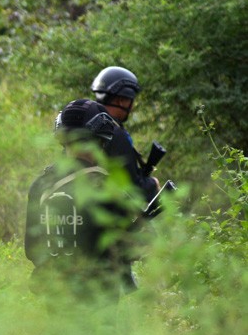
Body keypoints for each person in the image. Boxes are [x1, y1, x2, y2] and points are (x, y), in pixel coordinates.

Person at [24, 99, 141, 303]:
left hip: (56, 297)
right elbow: (131, 248)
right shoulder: (106, 186)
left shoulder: (41, 184)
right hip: (99, 300)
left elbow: (32, 249)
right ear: (101, 140)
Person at [91, 66, 160, 202]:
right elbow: (131, 189)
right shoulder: (115, 133)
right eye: (131, 100)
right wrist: (153, 184)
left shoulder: (87, 127)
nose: (132, 106)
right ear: (121, 101)